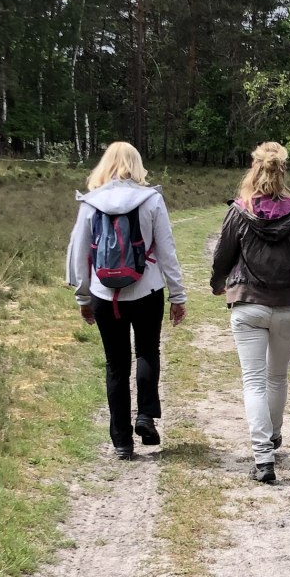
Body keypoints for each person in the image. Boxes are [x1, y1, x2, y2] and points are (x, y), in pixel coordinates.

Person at [209, 142, 290, 486]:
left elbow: (222, 255)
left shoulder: (239, 210)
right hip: (287, 307)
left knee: (253, 381)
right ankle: (273, 437)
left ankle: (263, 457)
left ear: (254, 169)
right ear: (283, 171)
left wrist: (218, 283)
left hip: (247, 303)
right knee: (277, 377)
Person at [66, 142, 187, 460]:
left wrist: (83, 297)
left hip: (105, 295)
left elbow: (79, 253)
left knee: (116, 365)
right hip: (147, 291)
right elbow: (167, 251)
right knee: (147, 351)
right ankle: (145, 416)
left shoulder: (90, 203)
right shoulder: (152, 200)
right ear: (137, 165)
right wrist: (177, 295)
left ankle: (121, 443)